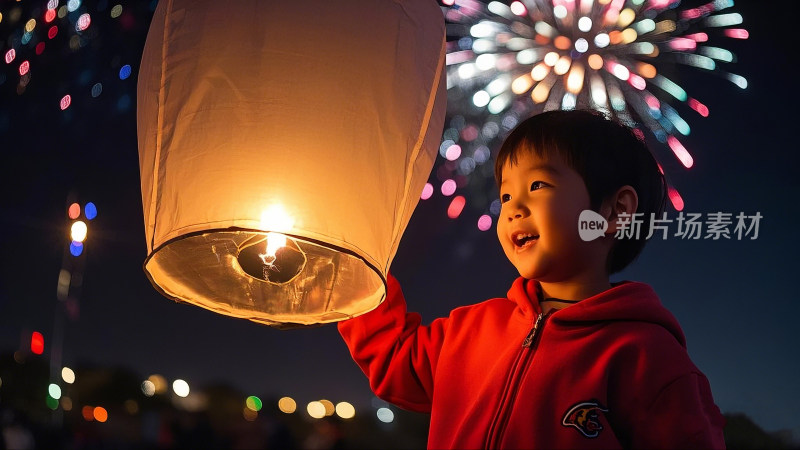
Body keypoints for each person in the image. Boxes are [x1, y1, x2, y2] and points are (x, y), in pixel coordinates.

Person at [338, 109, 726, 449]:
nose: (512, 209)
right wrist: (348, 270)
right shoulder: (469, 330)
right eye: (506, 196)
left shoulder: (648, 359)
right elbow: (395, 362)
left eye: (538, 186)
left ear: (614, 212)